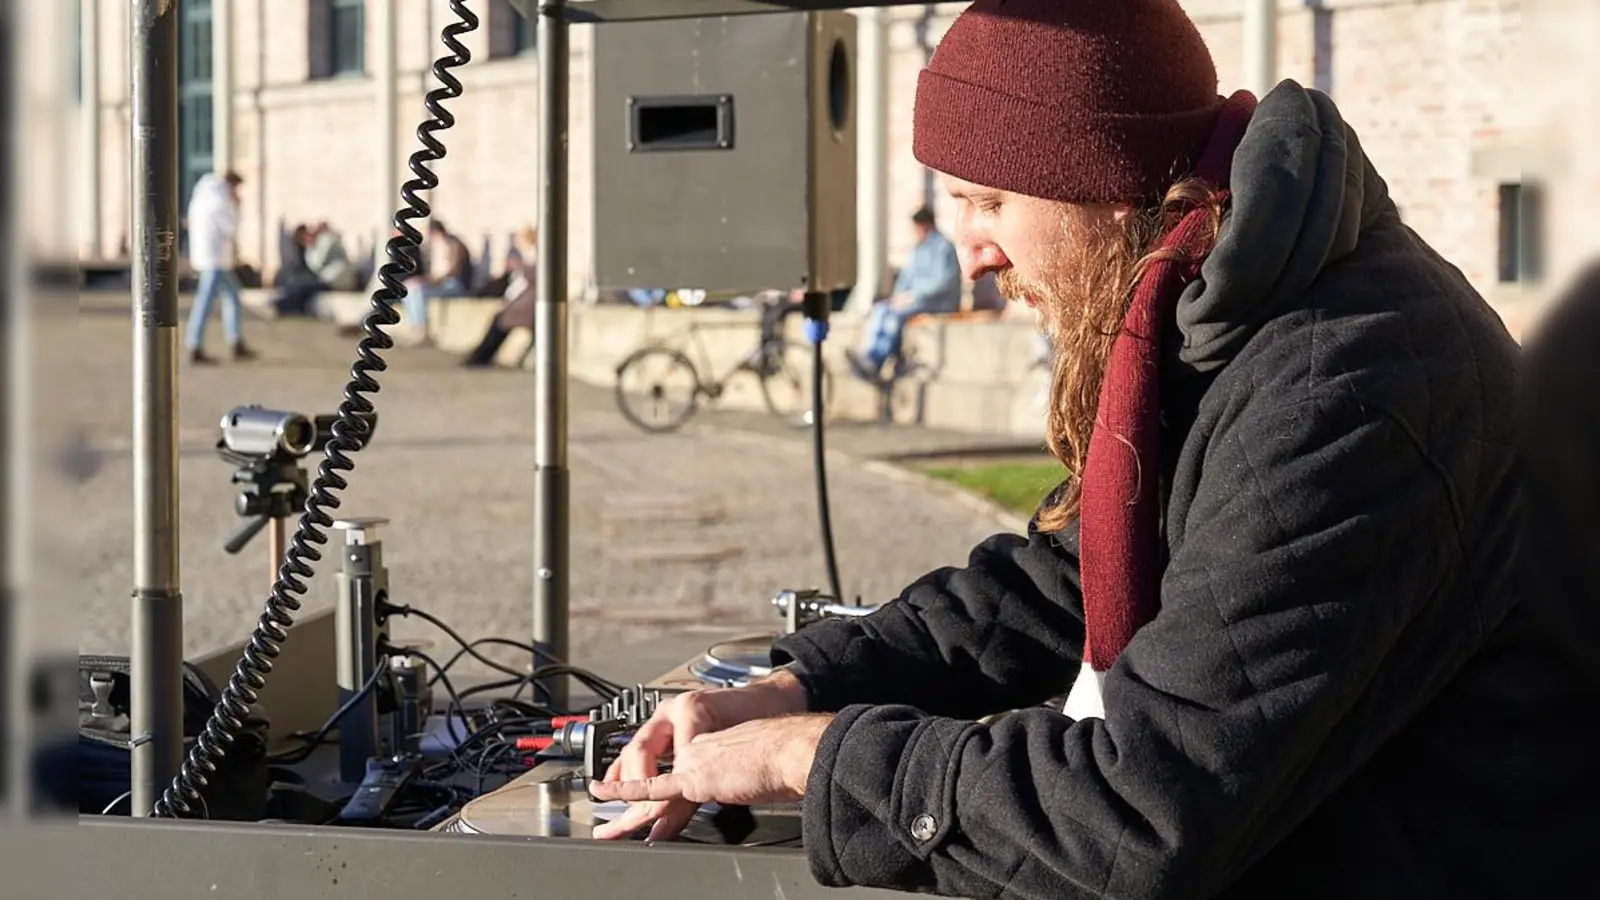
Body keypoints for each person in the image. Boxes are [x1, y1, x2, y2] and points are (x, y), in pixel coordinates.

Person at [588, 2, 1597, 898]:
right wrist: (798, 686)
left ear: (1107, 189)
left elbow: (1145, 811)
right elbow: (1065, 572)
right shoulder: (1222, 301)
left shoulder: (1345, 387)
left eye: (990, 202)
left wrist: (819, 759)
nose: (971, 248)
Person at [845, 206, 962, 379]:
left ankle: (876, 361)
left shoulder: (944, 248)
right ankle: (869, 356)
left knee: (894, 316)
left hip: (938, 302)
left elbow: (943, 282)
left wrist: (913, 295)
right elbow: (906, 279)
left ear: (926, 225)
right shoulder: (917, 250)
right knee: (881, 310)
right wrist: (897, 297)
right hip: (913, 300)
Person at [183, 171, 256, 363]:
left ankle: (235, 340)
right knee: (205, 301)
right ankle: (194, 344)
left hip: (208, 257)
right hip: (215, 259)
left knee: (232, 297)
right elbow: (230, 228)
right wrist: (238, 207)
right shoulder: (220, 201)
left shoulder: (201, 196)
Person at [461, 228, 538, 368]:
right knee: (498, 321)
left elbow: (526, 281)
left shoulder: (534, 256)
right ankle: (479, 356)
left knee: (500, 322)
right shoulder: (529, 256)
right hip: (522, 302)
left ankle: (480, 357)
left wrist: (520, 267)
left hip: (527, 305)